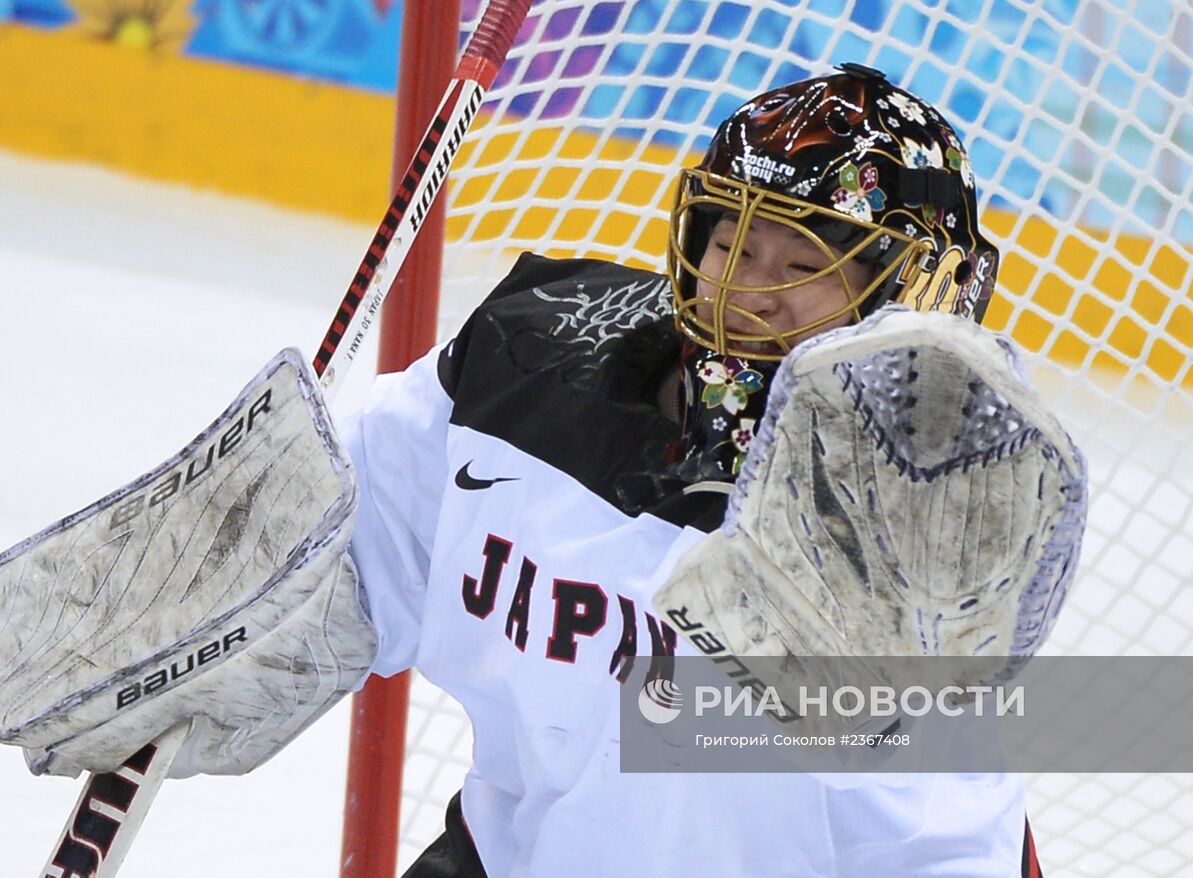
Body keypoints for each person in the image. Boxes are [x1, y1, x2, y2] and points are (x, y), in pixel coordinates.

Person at [344, 62, 1045, 876]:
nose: (749, 292)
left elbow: (939, 840)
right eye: (731, 242)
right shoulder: (536, 361)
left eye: (800, 265)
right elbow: (342, 532)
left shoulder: (938, 527)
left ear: (917, 294)